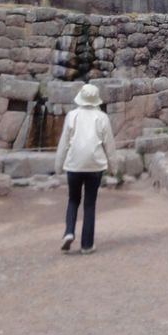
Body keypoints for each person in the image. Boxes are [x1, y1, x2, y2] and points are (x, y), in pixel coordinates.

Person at [55, 83, 117, 254]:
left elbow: (64, 143)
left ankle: (68, 232)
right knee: (90, 204)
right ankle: (87, 245)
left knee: (73, 200)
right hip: (95, 166)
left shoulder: (72, 116)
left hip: (74, 165)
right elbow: (109, 145)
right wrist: (114, 167)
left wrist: (58, 166)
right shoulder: (102, 117)